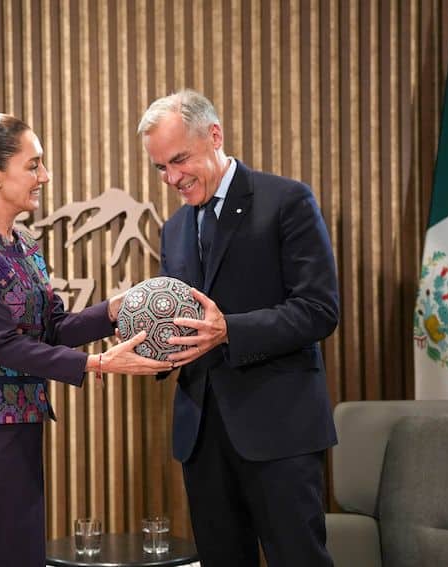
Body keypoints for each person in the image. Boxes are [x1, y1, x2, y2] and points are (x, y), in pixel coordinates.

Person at [0, 113, 170, 566]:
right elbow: (4, 343)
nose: (45, 176)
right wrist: (96, 365)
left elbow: (53, 328)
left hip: (20, 428)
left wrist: (116, 308)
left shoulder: (23, 244)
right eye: (34, 165)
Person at [138, 90, 340, 566]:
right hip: (202, 437)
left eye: (179, 160)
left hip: (280, 432)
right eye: (161, 168)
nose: (172, 178)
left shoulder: (287, 200)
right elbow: (184, 320)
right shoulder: (174, 229)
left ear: (215, 136)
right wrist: (153, 347)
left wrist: (229, 330)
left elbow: (319, 309)